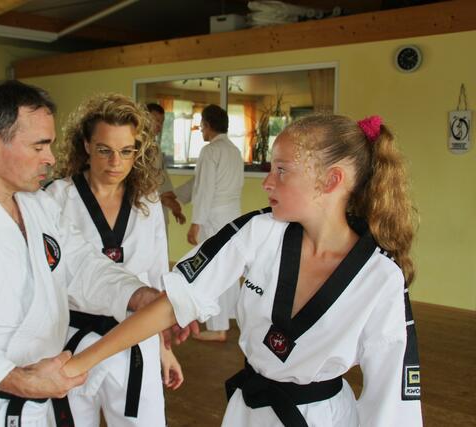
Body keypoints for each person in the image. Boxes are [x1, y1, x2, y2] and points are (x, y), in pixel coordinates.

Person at [61, 114, 423, 426]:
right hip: (251, 410)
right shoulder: (259, 232)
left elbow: (393, 398)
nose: (267, 182)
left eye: (282, 171)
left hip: (322, 417)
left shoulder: (380, 277)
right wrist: (77, 365)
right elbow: (172, 304)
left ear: (331, 181)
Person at [0, 80, 172, 427]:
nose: (50, 158)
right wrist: (17, 379)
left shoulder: (37, 206)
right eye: (39, 146)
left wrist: (137, 295)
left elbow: (81, 266)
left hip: (38, 404)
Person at [46, 94, 183, 427]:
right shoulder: (57, 197)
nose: (115, 163)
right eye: (104, 150)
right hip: (73, 340)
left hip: (136, 338)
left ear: (138, 151)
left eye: (126, 151)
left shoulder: (147, 202)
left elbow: (156, 275)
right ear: (86, 145)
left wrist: (164, 348)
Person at [187, 104, 244, 342]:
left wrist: (196, 223)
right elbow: (201, 185)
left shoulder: (210, 151)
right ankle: (231, 317)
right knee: (229, 267)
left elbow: (205, 190)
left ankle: (218, 327)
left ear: (208, 125)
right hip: (232, 215)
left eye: (202, 125)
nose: (201, 130)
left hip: (213, 217)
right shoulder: (234, 151)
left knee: (212, 268)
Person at [146, 103, 186, 226]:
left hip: (158, 205)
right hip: (145, 207)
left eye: (162, 122)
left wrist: (171, 199)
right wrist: (163, 198)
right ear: (144, 117)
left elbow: (161, 175)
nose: (159, 125)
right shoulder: (136, 146)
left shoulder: (155, 147)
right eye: (156, 120)